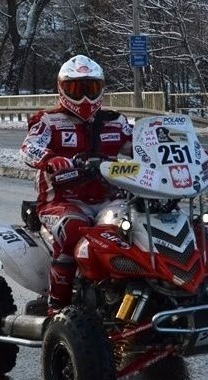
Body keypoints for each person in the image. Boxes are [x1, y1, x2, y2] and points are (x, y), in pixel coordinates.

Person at [20, 55, 133, 311]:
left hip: (109, 199)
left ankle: (126, 298)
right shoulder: (48, 121)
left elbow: (142, 146)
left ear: (101, 89)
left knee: (138, 229)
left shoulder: (116, 121)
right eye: (76, 89)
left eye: (91, 88)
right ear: (62, 89)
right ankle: (57, 309)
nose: (84, 97)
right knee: (74, 234)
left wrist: (172, 153)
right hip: (62, 202)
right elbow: (28, 148)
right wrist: (51, 159)